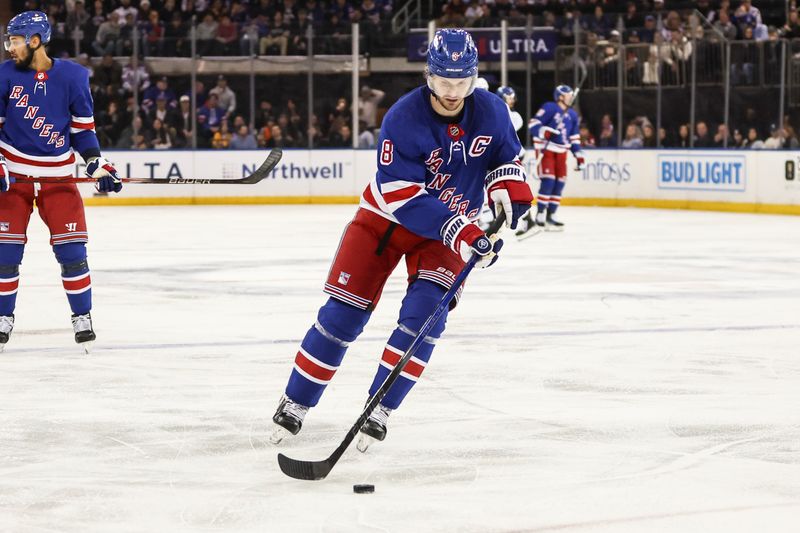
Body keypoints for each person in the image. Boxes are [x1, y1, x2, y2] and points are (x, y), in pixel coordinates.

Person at [270, 28, 532, 450]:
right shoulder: (402, 117)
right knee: (343, 315)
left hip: (447, 234)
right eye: (444, 82)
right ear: (429, 76)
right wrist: (465, 232)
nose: (452, 93)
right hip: (385, 223)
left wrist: (508, 201)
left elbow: (506, 160)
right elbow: (402, 196)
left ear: (473, 77)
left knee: (424, 321)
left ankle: (380, 408)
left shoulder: (493, 111)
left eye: (461, 83)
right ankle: (296, 402)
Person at [0, 11, 122, 353]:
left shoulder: (73, 76)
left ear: (35, 41)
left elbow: (83, 131)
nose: (10, 47)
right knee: (4, 255)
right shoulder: (4, 75)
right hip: (15, 179)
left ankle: (81, 317)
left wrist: (97, 164)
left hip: (58, 178)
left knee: (73, 254)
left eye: (15, 40)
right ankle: (2, 318)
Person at [516, 84, 584, 237]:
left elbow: (574, 138)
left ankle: (551, 215)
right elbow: (534, 123)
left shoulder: (572, 115)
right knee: (549, 181)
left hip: (562, 151)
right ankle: (540, 214)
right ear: (560, 96)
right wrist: (545, 131)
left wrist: (578, 155)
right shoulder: (550, 107)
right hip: (547, 149)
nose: (571, 98)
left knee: (560, 183)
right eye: (568, 95)